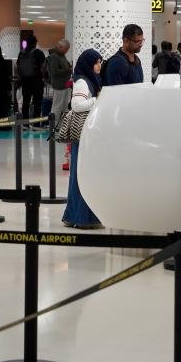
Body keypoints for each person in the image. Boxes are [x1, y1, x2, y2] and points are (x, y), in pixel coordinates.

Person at [61, 49, 104, 230]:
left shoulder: (89, 80)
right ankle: (82, 217)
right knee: (82, 176)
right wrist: (97, 100)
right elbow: (76, 105)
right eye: (97, 62)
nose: (99, 66)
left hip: (88, 135)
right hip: (83, 135)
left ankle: (76, 216)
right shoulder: (82, 82)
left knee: (81, 175)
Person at [17, 36, 46, 121]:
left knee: (26, 102)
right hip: (36, 81)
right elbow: (43, 67)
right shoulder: (38, 53)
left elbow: (18, 66)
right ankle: (36, 123)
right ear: (35, 43)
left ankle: (24, 123)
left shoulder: (21, 53)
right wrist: (43, 77)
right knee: (37, 102)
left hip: (25, 81)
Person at [45, 39, 72, 128]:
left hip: (65, 85)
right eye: (66, 49)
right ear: (61, 47)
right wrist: (68, 70)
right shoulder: (54, 56)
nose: (67, 51)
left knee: (64, 106)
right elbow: (54, 72)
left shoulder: (61, 56)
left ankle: (61, 126)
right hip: (59, 85)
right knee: (57, 106)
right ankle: (53, 125)